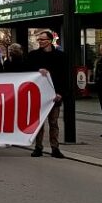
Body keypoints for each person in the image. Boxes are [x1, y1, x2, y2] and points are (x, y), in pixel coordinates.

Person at [27, 30, 66, 158]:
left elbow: (64, 76)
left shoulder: (60, 56)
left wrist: (60, 93)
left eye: (43, 39)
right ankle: (38, 147)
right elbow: (27, 71)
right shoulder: (33, 55)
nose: (40, 41)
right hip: (39, 95)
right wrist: (37, 70)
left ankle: (55, 148)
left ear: (50, 40)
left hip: (55, 95)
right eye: (39, 39)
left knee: (53, 123)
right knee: (39, 123)